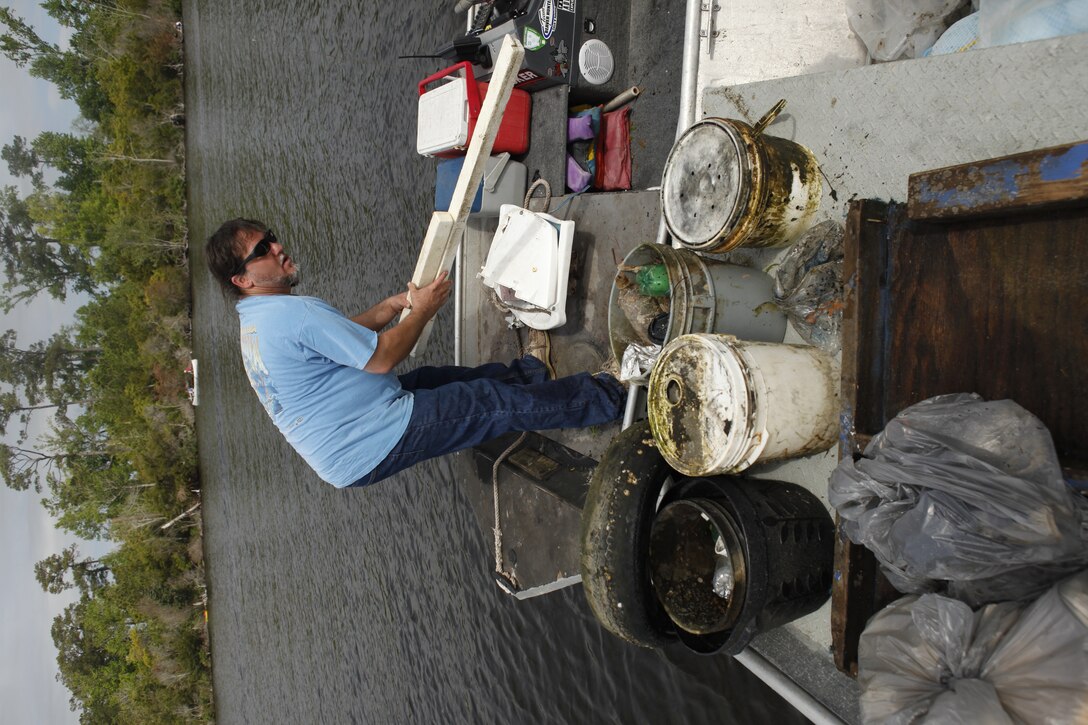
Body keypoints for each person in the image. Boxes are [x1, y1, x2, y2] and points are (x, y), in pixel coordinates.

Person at [205, 218, 626, 487]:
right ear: (241, 279)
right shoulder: (288, 315)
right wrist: (421, 312)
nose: (277, 248)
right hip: (364, 440)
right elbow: (384, 357)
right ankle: (608, 397)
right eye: (262, 251)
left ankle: (533, 377)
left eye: (271, 238)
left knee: (445, 380)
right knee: (485, 404)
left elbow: (336, 339)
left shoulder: (260, 317)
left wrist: (391, 308)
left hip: (359, 418)